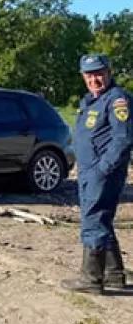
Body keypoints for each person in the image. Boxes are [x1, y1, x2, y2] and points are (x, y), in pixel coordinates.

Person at [62, 54, 133, 293]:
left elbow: (122, 139)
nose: (95, 79)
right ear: (83, 76)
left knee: (93, 221)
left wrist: (103, 169)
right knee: (100, 219)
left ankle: (91, 280)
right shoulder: (91, 101)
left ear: (109, 72)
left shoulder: (117, 100)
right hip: (88, 171)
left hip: (103, 172)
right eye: (89, 74)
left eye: (99, 73)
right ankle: (114, 275)